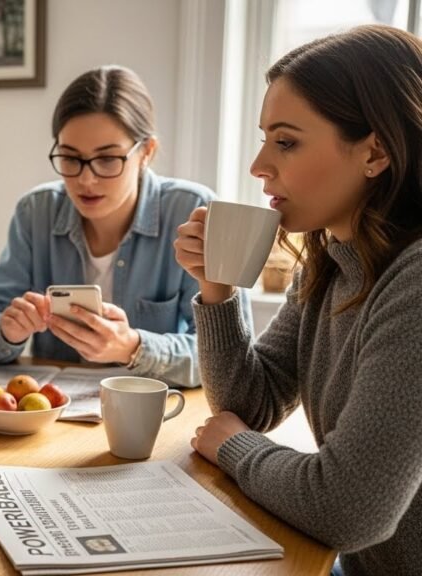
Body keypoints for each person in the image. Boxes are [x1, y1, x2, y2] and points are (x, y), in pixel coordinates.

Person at [176, 25, 422, 576]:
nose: (259, 165)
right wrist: (216, 288)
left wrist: (235, 448)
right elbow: (252, 403)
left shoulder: (416, 283)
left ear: (376, 152)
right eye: (265, 138)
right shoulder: (330, 261)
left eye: (285, 141)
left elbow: (349, 509)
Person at [0, 65, 251, 388]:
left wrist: (134, 347)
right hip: (56, 418)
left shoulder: (192, 211)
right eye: (71, 158)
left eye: (107, 160)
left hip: (155, 416)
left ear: (146, 152)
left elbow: (231, 358)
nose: (86, 179)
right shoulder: (36, 211)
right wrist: (8, 331)